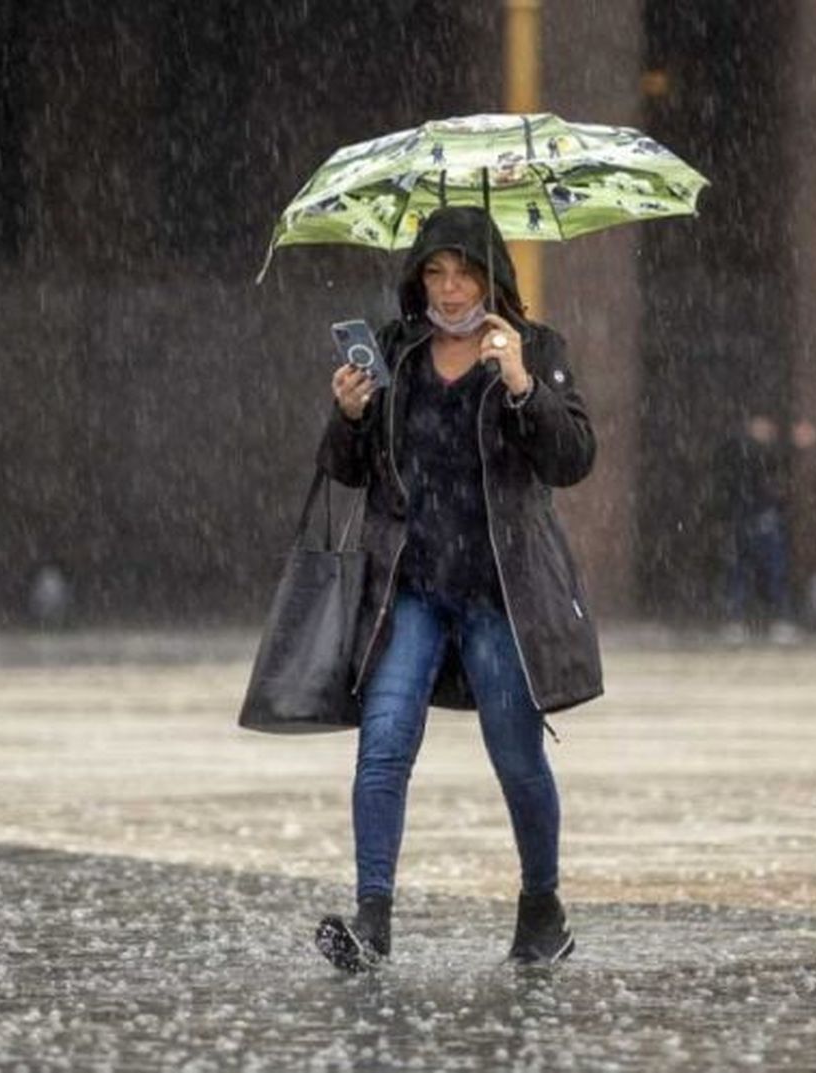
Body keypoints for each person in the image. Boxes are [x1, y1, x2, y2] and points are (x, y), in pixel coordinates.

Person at [312, 205, 602, 972]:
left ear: (492, 275)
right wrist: (348, 415)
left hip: (496, 592)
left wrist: (520, 383)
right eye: (435, 273)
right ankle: (371, 921)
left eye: (464, 272)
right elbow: (345, 468)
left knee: (517, 759)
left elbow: (572, 457)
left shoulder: (535, 348)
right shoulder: (396, 354)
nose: (448, 289)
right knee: (382, 748)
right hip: (410, 586)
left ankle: (543, 909)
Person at [711, 412, 802, 643]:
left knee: (773, 573)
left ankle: (779, 619)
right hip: (746, 521)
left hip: (764, 522)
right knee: (740, 573)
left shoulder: (771, 456)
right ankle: (737, 620)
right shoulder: (741, 453)